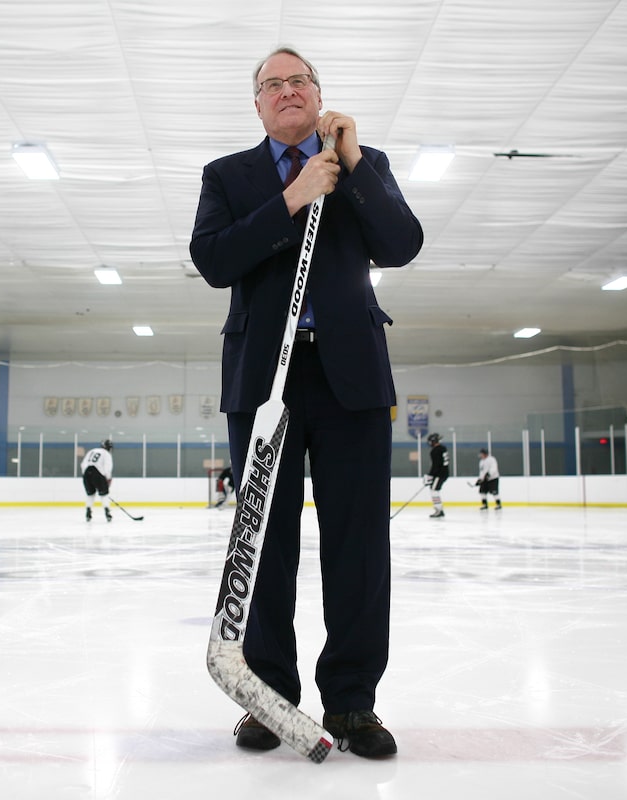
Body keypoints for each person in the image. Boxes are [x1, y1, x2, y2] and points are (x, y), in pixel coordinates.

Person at [190, 46, 423, 759]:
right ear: (257, 105)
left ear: (319, 97)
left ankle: (353, 702)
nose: (287, 91)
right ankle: (270, 698)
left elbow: (402, 243)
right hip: (265, 381)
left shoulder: (363, 163)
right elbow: (213, 260)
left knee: (358, 545)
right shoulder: (228, 176)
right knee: (266, 546)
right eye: (273, 84)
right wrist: (290, 200)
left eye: (300, 81)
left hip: (350, 378)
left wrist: (350, 166)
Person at [81, 439, 113, 522]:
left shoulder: (92, 451)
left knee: (90, 494)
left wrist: (85, 474)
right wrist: (108, 478)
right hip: (98, 473)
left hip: (87, 473)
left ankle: (88, 511)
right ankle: (107, 511)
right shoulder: (106, 454)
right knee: (104, 494)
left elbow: (83, 464)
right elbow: (107, 467)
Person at [425, 432, 449, 519]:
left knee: (434, 491)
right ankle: (439, 509)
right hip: (444, 473)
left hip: (439, 474)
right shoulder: (443, 448)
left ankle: (439, 510)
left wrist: (430, 476)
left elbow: (436, 465)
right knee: (434, 490)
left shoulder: (435, 451)